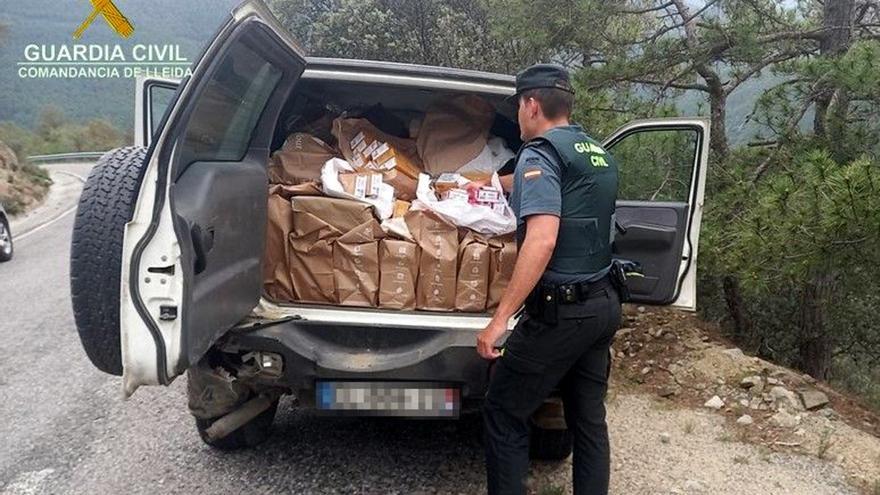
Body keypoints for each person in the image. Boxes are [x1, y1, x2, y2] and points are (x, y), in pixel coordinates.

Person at [475, 63, 621, 495]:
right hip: (604, 303)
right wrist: (484, 184)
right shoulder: (596, 152)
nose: (519, 116)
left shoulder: (539, 153)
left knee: (504, 411)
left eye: (519, 106)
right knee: (588, 421)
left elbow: (541, 240)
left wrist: (500, 319)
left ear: (532, 105)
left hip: (562, 313)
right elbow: (561, 192)